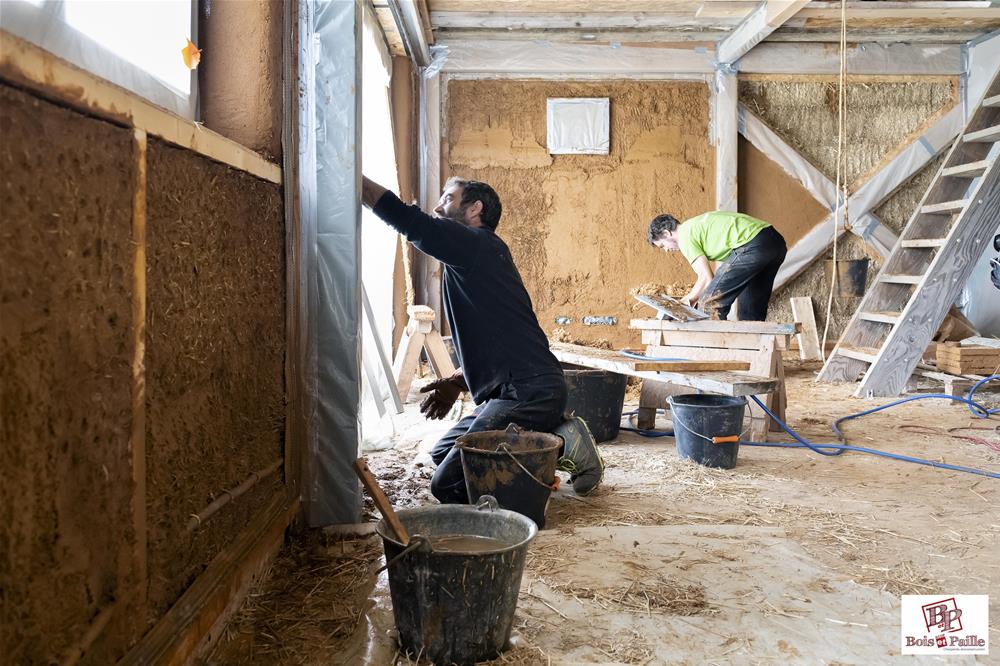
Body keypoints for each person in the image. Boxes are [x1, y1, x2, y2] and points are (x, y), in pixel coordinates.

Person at [361, 175, 603, 503]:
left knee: (447, 484)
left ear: (475, 209)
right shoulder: (477, 256)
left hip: (528, 393)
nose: (437, 206)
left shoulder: (476, 244)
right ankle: (550, 435)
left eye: (447, 198)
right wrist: (457, 382)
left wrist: (355, 178)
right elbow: (500, 342)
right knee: (443, 455)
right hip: (521, 388)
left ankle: (555, 444)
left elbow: (410, 221)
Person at [647, 211, 787, 321]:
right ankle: (757, 351)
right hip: (775, 242)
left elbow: (706, 278)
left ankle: (717, 352)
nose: (666, 250)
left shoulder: (684, 236)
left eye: (663, 245)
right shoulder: (697, 224)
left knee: (709, 304)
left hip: (753, 244)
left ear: (667, 233)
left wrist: (686, 301)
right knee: (750, 311)